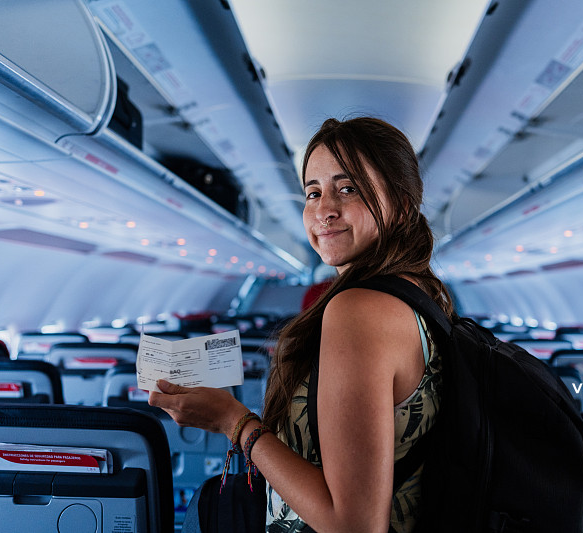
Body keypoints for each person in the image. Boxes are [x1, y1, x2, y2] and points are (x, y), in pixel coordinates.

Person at [149, 116, 454, 532]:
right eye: (313, 192)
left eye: (348, 189)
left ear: (400, 205)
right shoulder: (419, 295)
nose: (324, 210)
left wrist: (232, 421)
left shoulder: (360, 310)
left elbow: (354, 526)